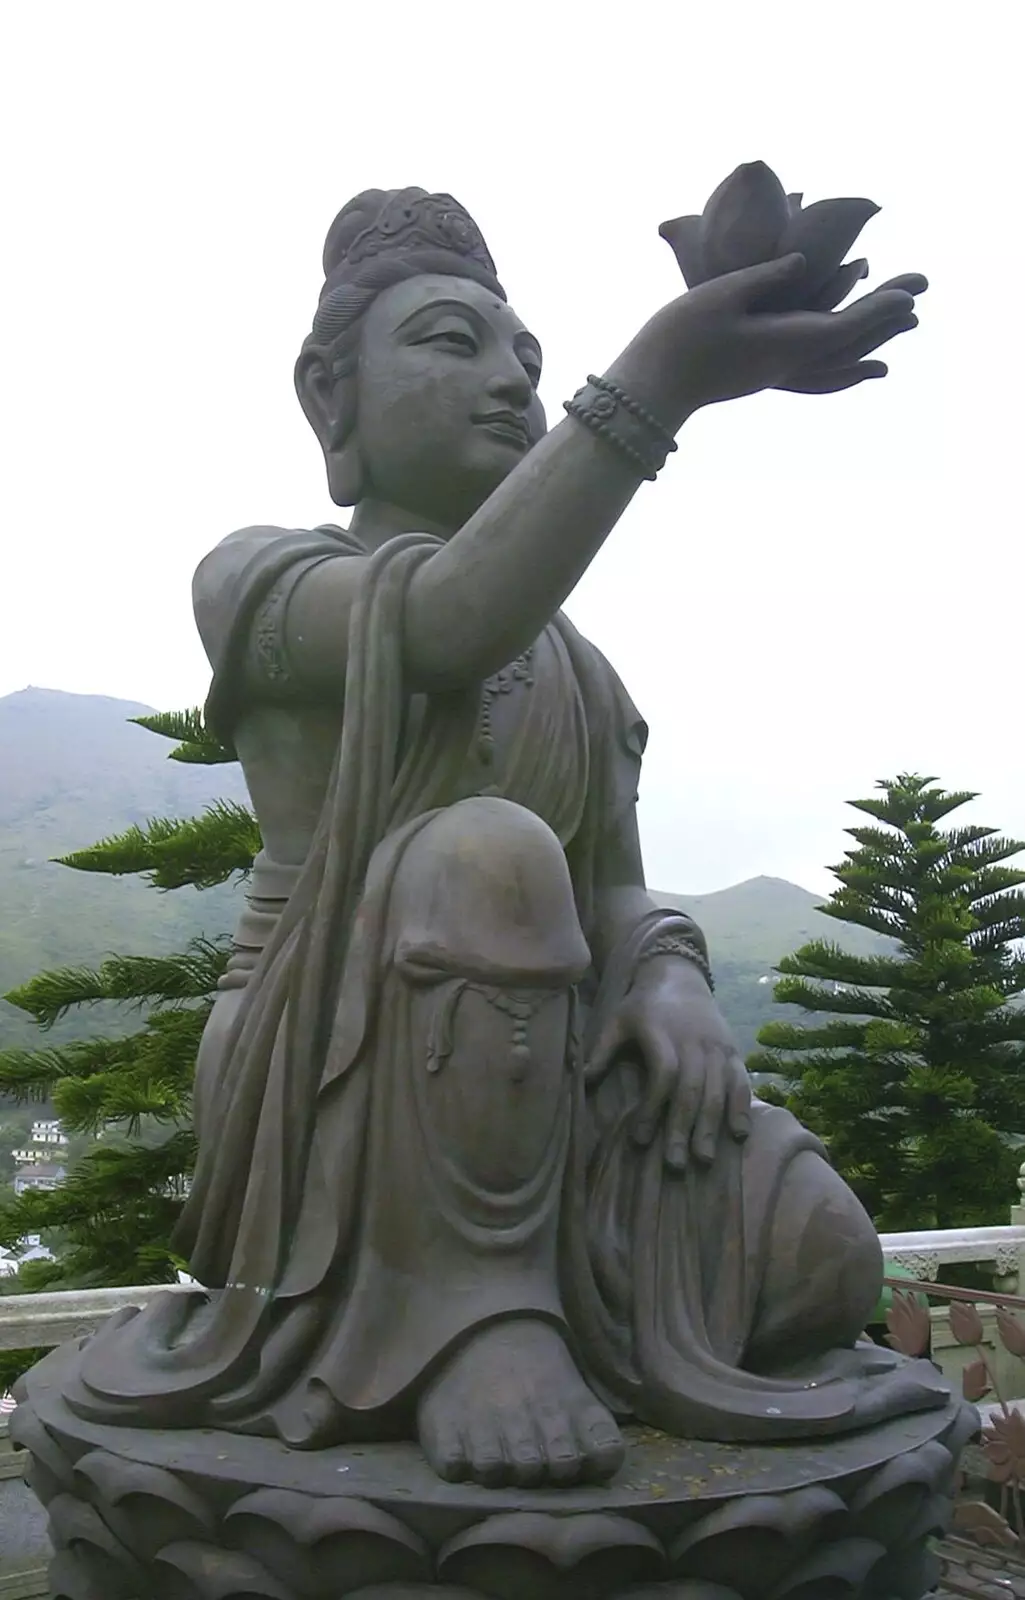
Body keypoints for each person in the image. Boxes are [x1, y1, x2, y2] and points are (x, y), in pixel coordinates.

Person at [69, 187, 947, 1487]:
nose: (508, 383)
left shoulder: (577, 671)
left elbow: (619, 894)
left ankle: (563, 1305)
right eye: (451, 343)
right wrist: (664, 377)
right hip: (340, 1083)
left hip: (567, 1089)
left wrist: (668, 982)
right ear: (329, 397)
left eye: (529, 361)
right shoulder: (265, 580)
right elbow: (446, 624)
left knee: (819, 1257)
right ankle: (473, 1312)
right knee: (483, 849)